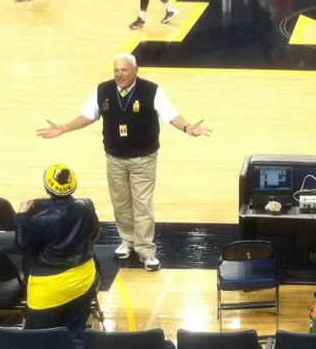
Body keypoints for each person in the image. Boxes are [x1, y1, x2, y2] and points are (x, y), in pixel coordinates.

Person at [36, 54, 210, 271]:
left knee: (142, 205)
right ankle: (127, 241)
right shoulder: (103, 90)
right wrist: (64, 127)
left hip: (143, 159)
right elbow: (88, 115)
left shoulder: (152, 90)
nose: (120, 74)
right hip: (114, 158)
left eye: (124, 70)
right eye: (116, 70)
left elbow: (171, 115)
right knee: (120, 203)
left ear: (135, 70)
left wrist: (187, 127)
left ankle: (146, 250)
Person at [16, 164, 99, 336]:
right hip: (82, 279)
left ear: (48, 188)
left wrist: (21, 217)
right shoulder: (87, 206)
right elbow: (94, 233)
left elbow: (23, 245)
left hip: (49, 285)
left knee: (39, 338)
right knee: (75, 334)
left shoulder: (40, 219)